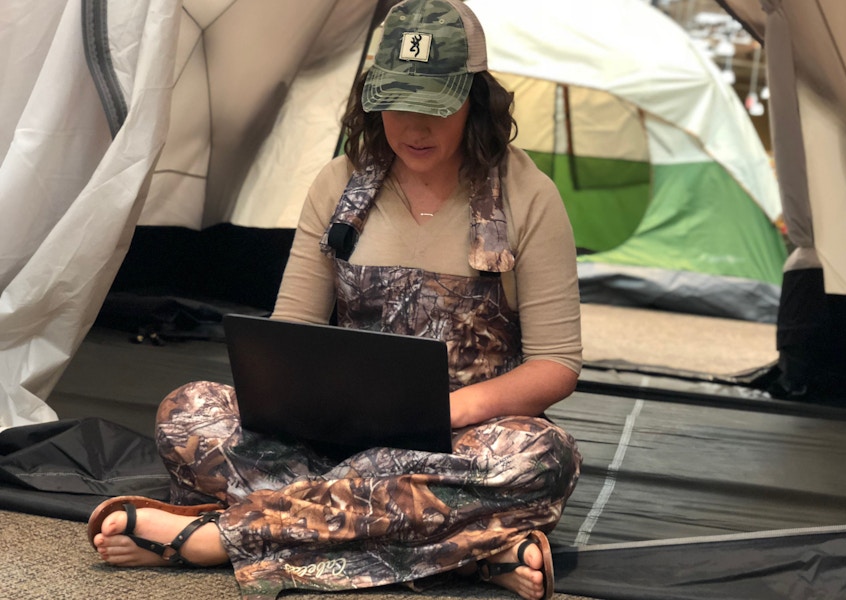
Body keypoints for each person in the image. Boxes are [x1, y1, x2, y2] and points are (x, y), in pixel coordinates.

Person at [88, 1, 583, 599]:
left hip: (459, 442)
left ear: (475, 101)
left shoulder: (530, 197)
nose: (412, 127)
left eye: (433, 107)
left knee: (540, 457)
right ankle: (475, 549)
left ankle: (224, 536)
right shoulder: (337, 184)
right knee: (187, 412)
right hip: (332, 436)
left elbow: (557, 364)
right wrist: (297, 402)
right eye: (395, 103)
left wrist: (444, 413)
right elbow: (291, 328)